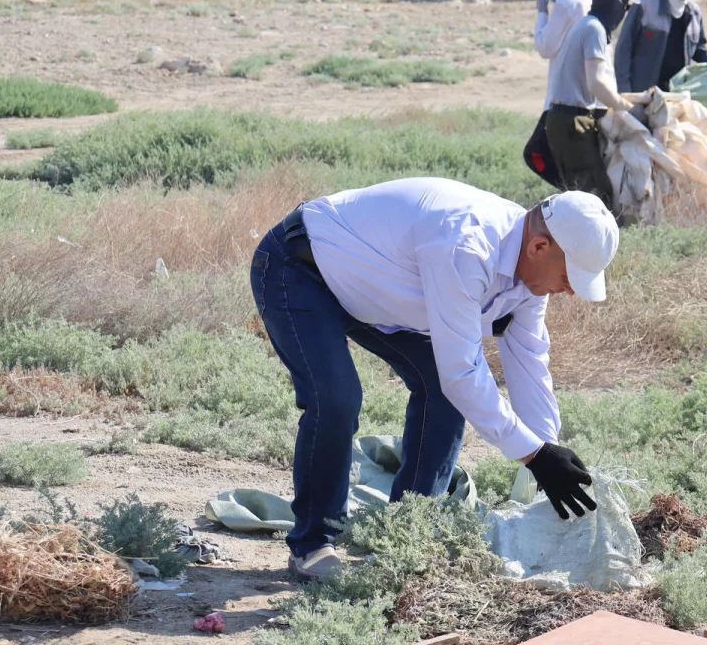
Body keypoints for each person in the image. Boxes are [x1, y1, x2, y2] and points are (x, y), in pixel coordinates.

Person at [251, 178, 620, 580]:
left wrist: (548, 450)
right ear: (539, 247)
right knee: (336, 398)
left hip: (378, 292)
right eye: (570, 277)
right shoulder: (467, 246)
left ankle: (407, 531)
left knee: (441, 396)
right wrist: (533, 455)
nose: (569, 290)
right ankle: (313, 544)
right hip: (301, 269)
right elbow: (462, 373)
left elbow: (529, 360)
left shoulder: (531, 278)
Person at [545, 0, 640, 219]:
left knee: (580, 194)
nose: (625, 12)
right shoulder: (594, 29)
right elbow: (596, 82)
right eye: (624, 5)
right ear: (611, 2)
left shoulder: (586, 26)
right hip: (573, 121)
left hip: (565, 119)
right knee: (595, 198)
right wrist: (623, 107)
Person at [523, 0, 592, 190]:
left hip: (562, 96)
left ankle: (572, 195)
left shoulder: (565, 3)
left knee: (536, 153)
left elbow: (545, 47)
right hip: (590, 91)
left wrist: (542, 12)